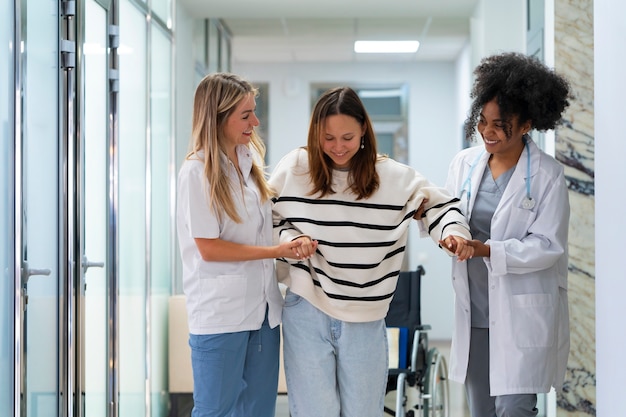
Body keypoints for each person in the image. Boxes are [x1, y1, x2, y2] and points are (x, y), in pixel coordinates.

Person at [269, 86, 473, 417]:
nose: (337, 147)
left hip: (365, 315)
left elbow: (440, 205)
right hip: (307, 308)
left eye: (347, 137)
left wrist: (452, 234)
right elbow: (268, 217)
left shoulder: (391, 177)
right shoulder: (296, 168)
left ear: (364, 129)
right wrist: (292, 239)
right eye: (328, 138)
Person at [445, 52, 571, 417]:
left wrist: (487, 250)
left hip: (521, 313)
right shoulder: (464, 165)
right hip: (475, 314)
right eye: (482, 121)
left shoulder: (548, 175)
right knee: (482, 412)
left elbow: (548, 246)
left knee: (515, 410)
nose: (487, 132)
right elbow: (447, 214)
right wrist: (448, 234)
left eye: (501, 125)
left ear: (527, 123)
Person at [176, 72, 303, 417]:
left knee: (258, 411)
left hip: (264, 313)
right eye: (245, 115)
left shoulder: (249, 163)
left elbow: (264, 227)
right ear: (218, 117)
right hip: (220, 315)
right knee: (215, 410)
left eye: (254, 112)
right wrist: (276, 253)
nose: (255, 122)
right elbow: (210, 248)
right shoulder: (196, 171)